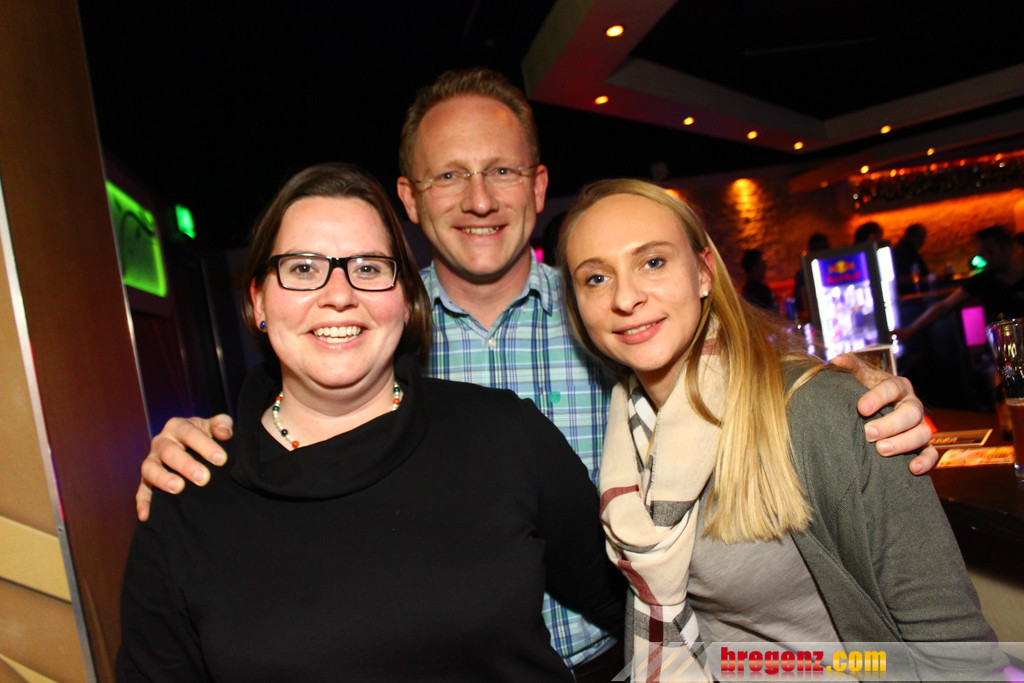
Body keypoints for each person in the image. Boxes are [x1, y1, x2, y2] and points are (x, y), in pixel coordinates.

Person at [133, 68, 938, 676]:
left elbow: (744, 378)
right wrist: (205, 446)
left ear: (539, 184)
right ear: (411, 198)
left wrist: (854, 405)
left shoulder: (615, 314)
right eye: (449, 175)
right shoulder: (374, 336)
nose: (479, 199)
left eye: (503, 171)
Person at [116, 163, 624, 681]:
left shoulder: (504, 433)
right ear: (259, 300)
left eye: (369, 268)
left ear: (405, 302)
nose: (339, 294)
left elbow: (631, 608)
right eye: (303, 268)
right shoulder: (189, 492)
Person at [558, 179, 1004, 681]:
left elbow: (955, 649)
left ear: (704, 273)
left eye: (653, 262)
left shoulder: (818, 411)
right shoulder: (626, 434)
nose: (626, 297)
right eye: (597, 278)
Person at [898, 224, 1024, 340]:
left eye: (990, 252)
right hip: (1004, 349)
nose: (986, 258)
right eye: (983, 254)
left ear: (1009, 248)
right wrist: (909, 331)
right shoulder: (985, 279)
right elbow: (945, 306)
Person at [791, 232, 829, 321]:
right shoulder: (804, 274)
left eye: (826, 248)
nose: (824, 252)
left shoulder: (831, 269)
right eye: (822, 248)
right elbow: (800, 305)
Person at [893, 223, 930, 294]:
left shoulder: (904, 251)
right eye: (919, 237)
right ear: (911, 237)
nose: (922, 241)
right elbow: (904, 278)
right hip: (910, 293)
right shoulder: (906, 253)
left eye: (922, 238)